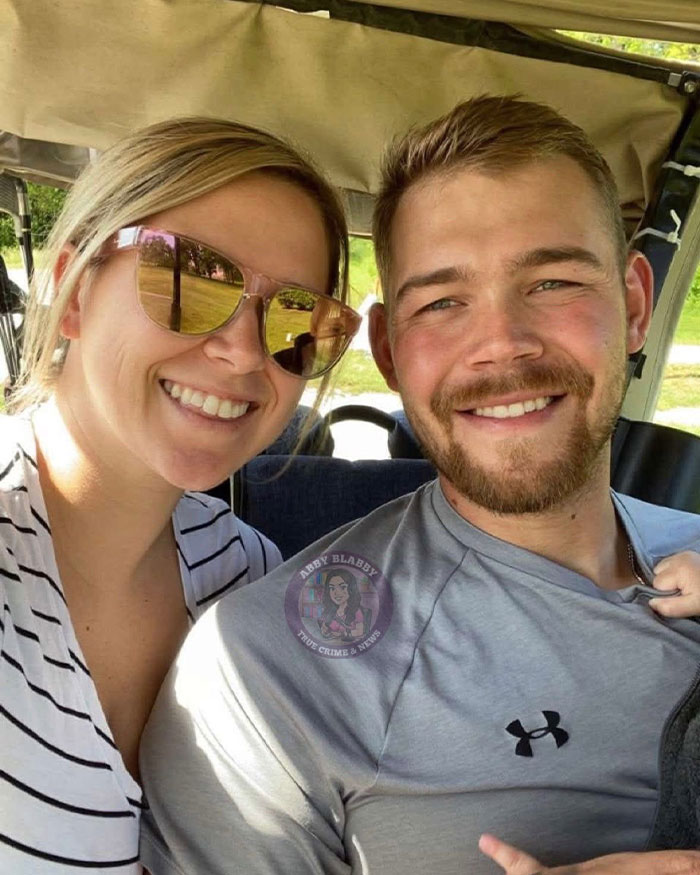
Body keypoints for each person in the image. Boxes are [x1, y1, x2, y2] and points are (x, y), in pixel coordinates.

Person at [139, 96, 700, 874]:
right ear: (389, 352)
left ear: (634, 305)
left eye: (552, 283)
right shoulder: (266, 673)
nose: (502, 343)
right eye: (441, 302)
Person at [0, 116, 360, 872]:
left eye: (295, 318)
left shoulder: (248, 576)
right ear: (72, 289)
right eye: (188, 281)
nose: (243, 352)